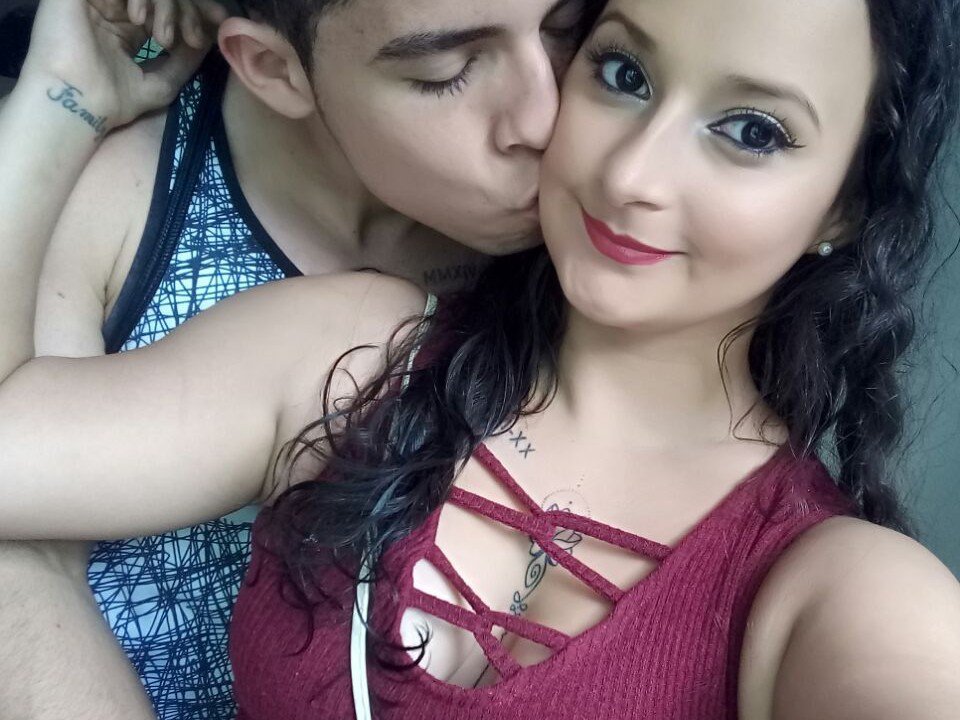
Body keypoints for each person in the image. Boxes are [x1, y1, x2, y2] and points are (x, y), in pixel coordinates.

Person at [2, 0, 960, 718]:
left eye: (752, 132)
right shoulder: (357, 353)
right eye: (623, 72)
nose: (630, 173)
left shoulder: (832, 584)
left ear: (847, 202)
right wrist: (58, 98)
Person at [0, 0, 603, 717]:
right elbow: (24, 561)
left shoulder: (589, 266)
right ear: (273, 67)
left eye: (566, 28)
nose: (544, 118)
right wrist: (61, 96)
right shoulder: (117, 193)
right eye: (446, 70)